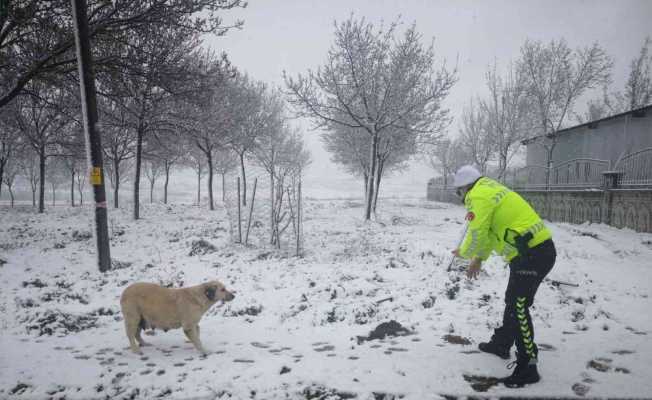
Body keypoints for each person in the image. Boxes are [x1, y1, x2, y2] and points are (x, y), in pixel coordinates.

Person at [451, 165, 557, 388]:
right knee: (513, 302)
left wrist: (465, 253)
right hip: (532, 252)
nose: (460, 197)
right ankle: (501, 343)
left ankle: (528, 365)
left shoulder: (478, 195)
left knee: (518, 307)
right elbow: (489, 233)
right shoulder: (491, 189)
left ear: (464, 188)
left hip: (532, 254)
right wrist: (478, 259)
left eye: (458, 192)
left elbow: (478, 231)